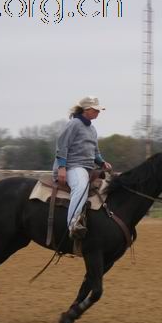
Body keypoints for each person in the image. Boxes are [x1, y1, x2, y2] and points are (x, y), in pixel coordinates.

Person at [53, 96, 112, 239]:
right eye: (96, 110)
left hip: (88, 168)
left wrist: (102, 162)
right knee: (81, 186)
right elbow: (62, 146)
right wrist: (62, 168)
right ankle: (72, 224)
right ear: (87, 110)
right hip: (72, 166)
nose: (98, 112)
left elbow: (95, 152)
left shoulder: (92, 128)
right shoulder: (74, 124)